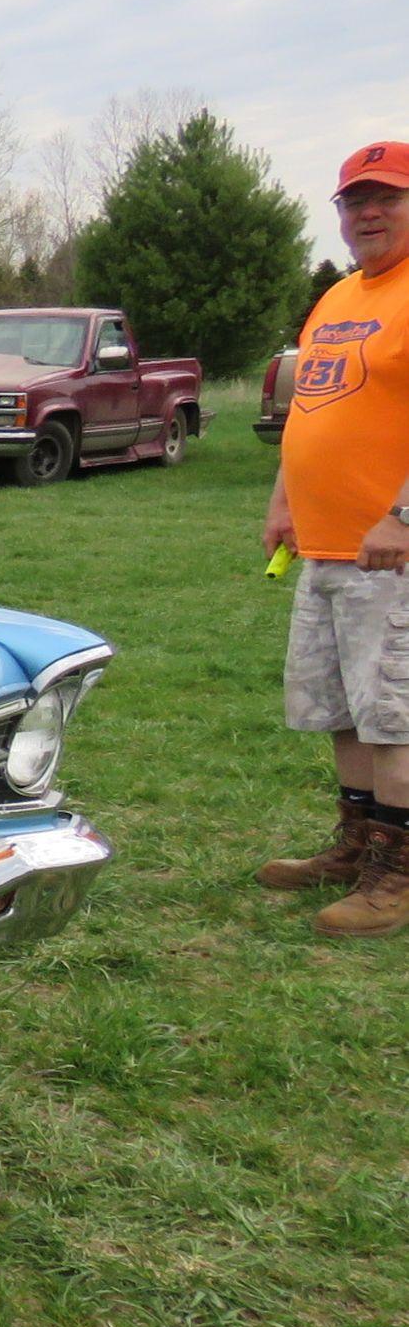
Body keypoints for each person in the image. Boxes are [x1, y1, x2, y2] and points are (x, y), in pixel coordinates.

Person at [258, 142, 409, 935]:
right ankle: (358, 843)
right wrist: (285, 498)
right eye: (354, 201)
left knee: (396, 713)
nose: (368, 213)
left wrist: (404, 515)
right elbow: (309, 410)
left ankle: (399, 872)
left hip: (394, 551)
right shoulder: (341, 297)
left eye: (386, 197)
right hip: (326, 544)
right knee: (344, 707)